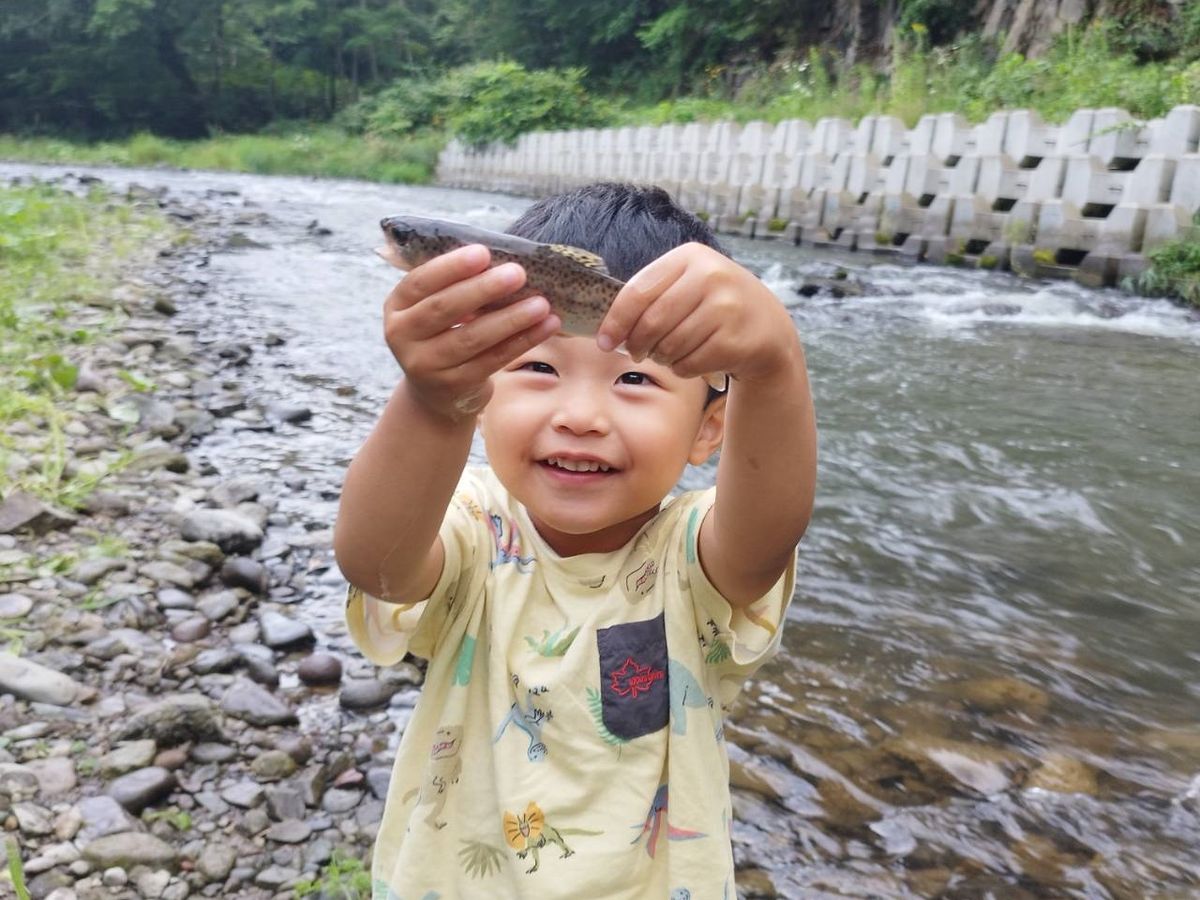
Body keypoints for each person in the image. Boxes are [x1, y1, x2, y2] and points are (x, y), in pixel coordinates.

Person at [334, 182, 817, 899]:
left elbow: (768, 532)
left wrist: (773, 361)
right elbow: (377, 564)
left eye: (632, 377)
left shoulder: (696, 560)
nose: (581, 416)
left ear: (710, 428)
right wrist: (433, 405)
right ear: (482, 384)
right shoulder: (469, 525)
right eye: (537, 367)